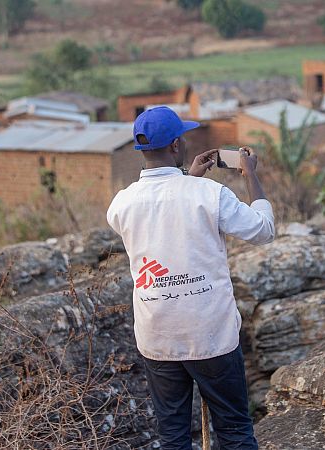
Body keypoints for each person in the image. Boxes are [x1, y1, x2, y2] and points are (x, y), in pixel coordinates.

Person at [106, 106, 274, 450]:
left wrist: (188, 178)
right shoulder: (209, 194)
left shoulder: (120, 205)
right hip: (210, 334)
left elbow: (165, 214)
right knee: (234, 430)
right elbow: (263, 230)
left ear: (141, 149)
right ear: (176, 146)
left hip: (158, 338)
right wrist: (250, 174)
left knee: (173, 436)